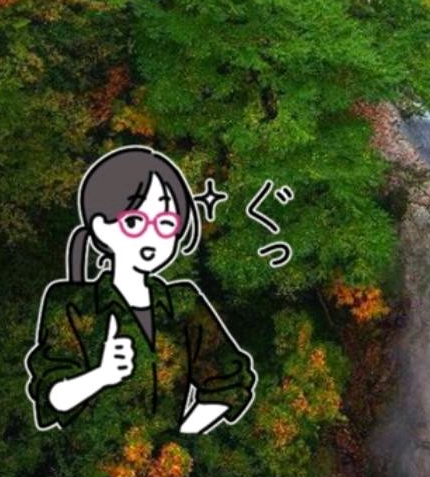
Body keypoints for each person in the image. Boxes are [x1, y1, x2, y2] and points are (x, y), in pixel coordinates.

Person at [25, 145, 257, 437]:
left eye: (165, 224)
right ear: (101, 227)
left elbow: (230, 380)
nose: (151, 237)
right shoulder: (74, 302)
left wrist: (184, 434)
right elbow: (51, 397)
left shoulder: (183, 302)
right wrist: (100, 376)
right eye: (135, 222)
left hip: (167, 462)